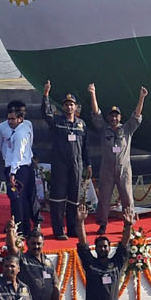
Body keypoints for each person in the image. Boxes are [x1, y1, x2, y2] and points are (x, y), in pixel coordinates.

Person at [87, 83, 148, 229]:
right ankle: (102, 223)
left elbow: (136, 115)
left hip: (124, 169)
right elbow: (96, 114)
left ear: (120, 117)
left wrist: (142, 97)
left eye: (116, 115)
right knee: (104, 198)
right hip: (106, 169)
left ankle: (128, 222)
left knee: (127, 197)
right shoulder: (103, 128)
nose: (114, 118)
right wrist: (92, 93)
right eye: (112, 115)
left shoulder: (127, 129)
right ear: (109, 117)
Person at [41, 82, 89, 239]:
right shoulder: (57, 122)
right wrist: (46, 95)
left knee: (74, 198)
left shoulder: (81, 125)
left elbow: (85, 147)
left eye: (72, 105)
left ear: (76, 107)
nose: (69, 107)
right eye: (67, 105)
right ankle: (59, 230)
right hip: (60, 164)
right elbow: (46, 114)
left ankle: (73, 229)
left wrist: (88, 164)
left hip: (76, 165)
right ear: (63, 107)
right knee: (58, 197)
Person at [77, 217, 132, 300]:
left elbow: (124, 243)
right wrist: (81, 222)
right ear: (95, 249)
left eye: (105, 246)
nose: (102, 249)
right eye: (100, 247)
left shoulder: (116, 263)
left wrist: (128, 224)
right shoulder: (90, 264)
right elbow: (82, 243)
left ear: (109, 248)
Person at [0, 99, 37, 231]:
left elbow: (19, 153)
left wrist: (13, 172)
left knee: (19, 197)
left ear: (20, 119)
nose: (10, 121)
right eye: (9, 119)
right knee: (17, 197)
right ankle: (21, 225)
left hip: (19, 168)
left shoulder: (20, 133)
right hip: (12, 166)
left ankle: (21, 227)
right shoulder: (3, 128)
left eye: (13, 119)